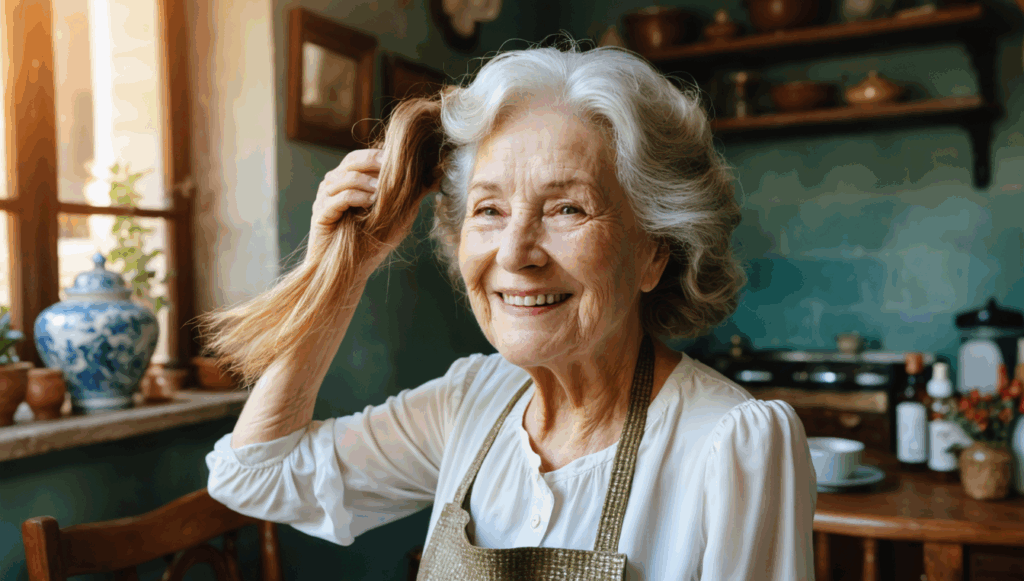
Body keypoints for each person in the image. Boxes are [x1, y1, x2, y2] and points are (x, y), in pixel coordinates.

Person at [202, 42, 816, 581]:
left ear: (654, 251)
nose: (515, 254)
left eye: (567, 209)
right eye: (489, 211)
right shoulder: (471, 399)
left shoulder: (730, 446)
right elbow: (256, 475)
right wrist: (342, 268)